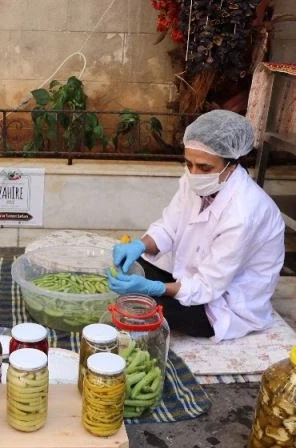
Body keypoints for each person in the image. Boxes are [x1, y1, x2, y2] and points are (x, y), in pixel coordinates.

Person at [107, 110, 285, 341]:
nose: (194, 174)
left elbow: (207, 287)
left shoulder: (244, 214)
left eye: (204, 167)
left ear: (231, 164)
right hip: (190, 273)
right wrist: (140, 245)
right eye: (188, 164)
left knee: (138, 304)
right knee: (125, 269)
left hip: (223, 301)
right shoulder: (197, 182)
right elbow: (168, 228)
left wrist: (155, 288)